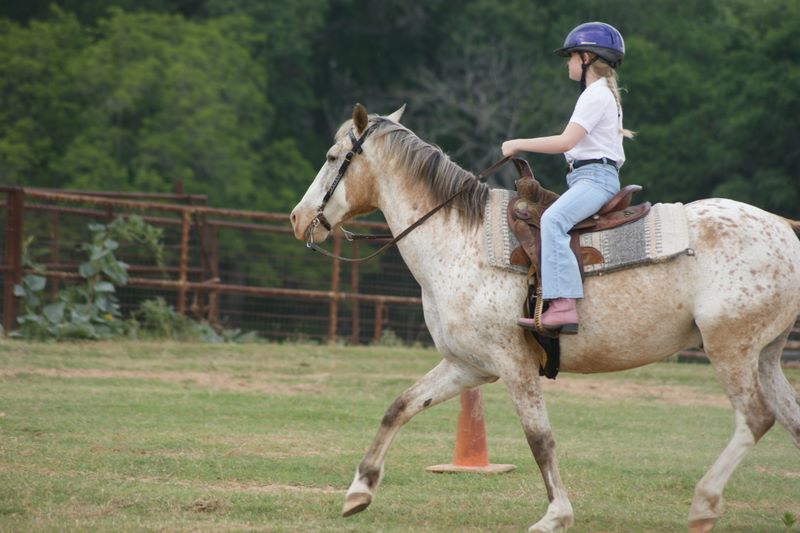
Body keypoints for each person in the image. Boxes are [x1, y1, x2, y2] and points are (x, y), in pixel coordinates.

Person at [502, 21, 634, 334]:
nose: (568, 64)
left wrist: (518, 144)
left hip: (595, 179)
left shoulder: (594, 95)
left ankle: (563, 305)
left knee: (553, 220)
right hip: (587, 177)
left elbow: (566, 142)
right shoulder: (600, 94)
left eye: (571, 57)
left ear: (586, 57)